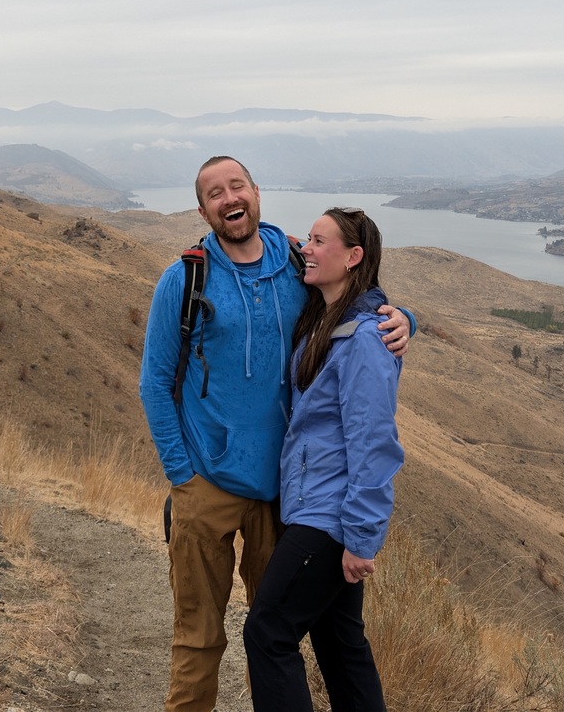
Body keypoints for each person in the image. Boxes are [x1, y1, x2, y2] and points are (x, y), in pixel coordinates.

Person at [139, 157, 412, 712]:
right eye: (214, 193)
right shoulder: (183, 279)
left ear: (256, 193)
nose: (228, 198)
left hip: (282, 497)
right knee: (199, 636)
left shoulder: (294, 265)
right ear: (202, 209)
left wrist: (401, 316)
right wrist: (181, 475)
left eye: (236, 185)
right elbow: (154, 383)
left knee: (278, 631)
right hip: (206, 487)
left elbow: (354, 307)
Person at [243, 207, 403, 712]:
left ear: (353, 257)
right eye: (307, 239)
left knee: (268, 632)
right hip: (315, 508)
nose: (308, 249)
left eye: (320, 241)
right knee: (340, 645)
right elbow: (270, 242)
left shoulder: (364, 339)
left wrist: (360, 537)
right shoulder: (330, 319)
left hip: (329, 519)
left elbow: (374, 444)